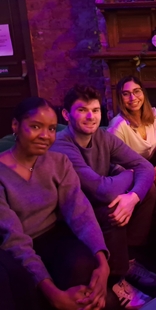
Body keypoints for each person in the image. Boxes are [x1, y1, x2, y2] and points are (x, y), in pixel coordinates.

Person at [50, 85, 156, 309]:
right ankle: (117, 280)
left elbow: (146, 167)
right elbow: (102, 190)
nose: (91, 116)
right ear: (66, 115)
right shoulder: (61, 145)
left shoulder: (103, 137)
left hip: (98, 201)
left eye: (95, 110)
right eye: (82, 110)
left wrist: (133, 197)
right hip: (70, 215)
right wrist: (129, 175)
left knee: (148, 190)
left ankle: (128, 260)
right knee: (112, 205)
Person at [0, 97, 110, 310]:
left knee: (84, 267)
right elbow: (13, 238)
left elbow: (80, 212)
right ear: (15, 125)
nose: (45, 136)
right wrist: (54, 295)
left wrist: (103, 262)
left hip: (53, 235)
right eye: (35, 127)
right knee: (23, 284)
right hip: (16, 246)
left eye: (51, 129)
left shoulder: (59, 162)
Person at [108, 76, 156, 188]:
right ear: (120, 98)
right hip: (132, 175)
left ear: (143, 93)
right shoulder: (117, 126)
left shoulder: (152, 114)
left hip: (153, 166)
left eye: (137, 91)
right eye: (126, 94)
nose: (133, 98)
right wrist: (151, 175)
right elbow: (117, 167)